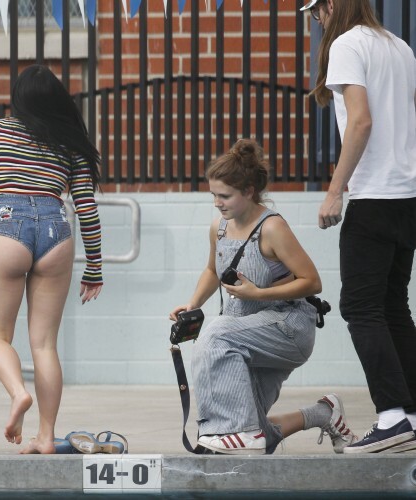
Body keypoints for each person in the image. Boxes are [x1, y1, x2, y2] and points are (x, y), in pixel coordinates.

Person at [169, 139, 357, 455]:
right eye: (213, 195)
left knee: (216, 336)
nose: (217, 202)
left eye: (225, 196)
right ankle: (324, 413)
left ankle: (233, 431)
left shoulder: (272, 228)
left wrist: (259, 293)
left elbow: (312, 281)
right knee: (256, 430)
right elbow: (213, 270)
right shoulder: (219, 227)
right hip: (246, 332)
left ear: (249, 191)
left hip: (287, 328)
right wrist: (193, 304)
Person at [0, 65, 103, 454]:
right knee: (44, 344)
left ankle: (18, 393)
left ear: (18, 98)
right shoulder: (69, 142)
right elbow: (86, 209)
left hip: (6, 223)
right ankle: (46, 436)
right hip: (56, 229)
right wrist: (94, 267)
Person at [303, 0, 416, 453]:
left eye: (316, 11)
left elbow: (361, 121)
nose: (317, 20)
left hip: (374, 196)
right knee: (393, 307)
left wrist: (335, 190)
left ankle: (391, 416)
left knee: (360, 307)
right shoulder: (399, 46)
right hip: (407, 195)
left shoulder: (347, 45)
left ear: (331, 5)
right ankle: (410, 415)